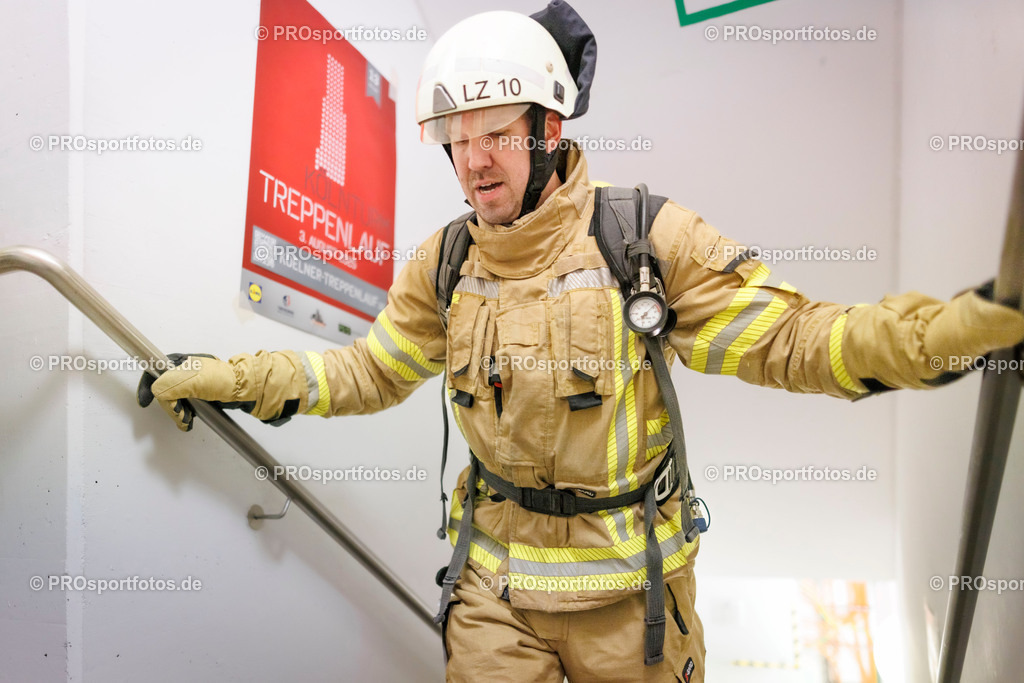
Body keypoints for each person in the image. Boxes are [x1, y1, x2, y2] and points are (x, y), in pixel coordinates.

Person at [137, 2, 1024, 681]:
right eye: (455, 138)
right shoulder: (443, 264)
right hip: (492, 601)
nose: (474, 160)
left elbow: (793, 338)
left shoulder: (641, 240)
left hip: (632, 607)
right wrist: (229, 375)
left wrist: (949, 334)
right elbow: (367, 370)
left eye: (493, 134)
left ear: (548, 129)